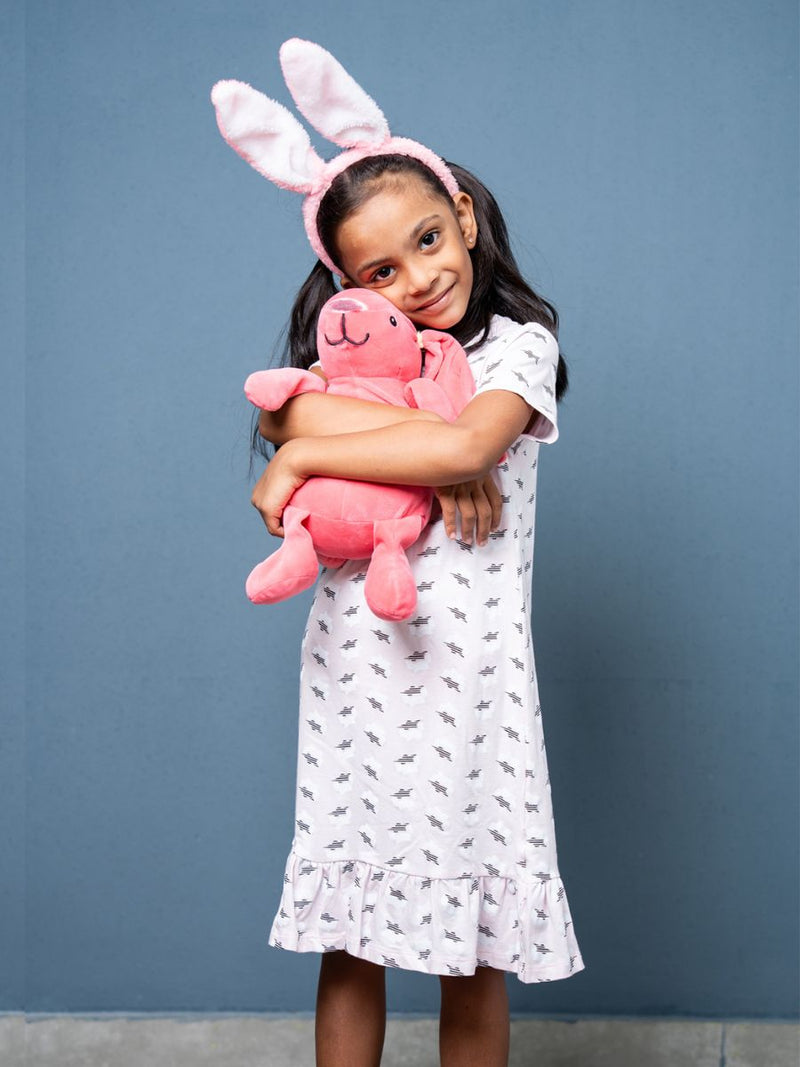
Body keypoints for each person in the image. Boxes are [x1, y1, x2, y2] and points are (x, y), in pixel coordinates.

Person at [212, 39, 585, 1067]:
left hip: (470, 685)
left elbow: (467, 441)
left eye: (427, 239)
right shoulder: (350, 374)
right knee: (350, 934)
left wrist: (352, 451)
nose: (417, 279)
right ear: (348, 286)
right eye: (379, 269)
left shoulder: (517, 349)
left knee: (471, 949)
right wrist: (368, 446)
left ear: (461, 211)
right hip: (356, 679)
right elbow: (290, 424)